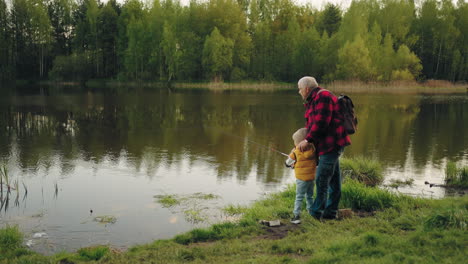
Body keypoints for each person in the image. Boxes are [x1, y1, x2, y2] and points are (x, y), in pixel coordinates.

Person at [296, 76, 351, 220]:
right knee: (333, 180)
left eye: (300, 89)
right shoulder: (313, 100)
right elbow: (314, 124)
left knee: (322, 179)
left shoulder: (323, 97)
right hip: (326, 145)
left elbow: (321, 123)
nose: (299, 92)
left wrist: (308, 140)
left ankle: (316, 214)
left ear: (307, 89)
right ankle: (330, 213)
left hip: (332, 144)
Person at [285, 128, 317, 224]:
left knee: (299, 197)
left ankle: (296, 216)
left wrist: (290, 159)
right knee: (310, 196)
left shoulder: (296, 152)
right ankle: (311, 212)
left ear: (298, 142)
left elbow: (287, 163)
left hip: (301, 179)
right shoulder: (313, 149)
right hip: (311, 178)